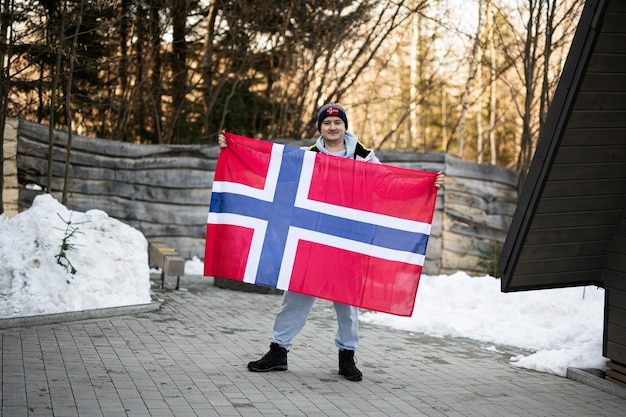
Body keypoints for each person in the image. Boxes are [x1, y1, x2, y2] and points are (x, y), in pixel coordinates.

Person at [217, 103, 444, 382]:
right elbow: (272, 166)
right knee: (295, 297)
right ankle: (279, 352)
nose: (332, 127)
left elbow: (388, 185)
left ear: (345, 126)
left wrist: (425, 185)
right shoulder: (307, 156)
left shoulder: (364, 158)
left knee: (347, 302)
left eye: (337, 122)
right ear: (320, 128)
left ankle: (347, 358)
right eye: (327, 123)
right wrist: (234, 148)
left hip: (349, 240)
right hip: (310, 239)